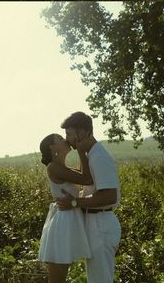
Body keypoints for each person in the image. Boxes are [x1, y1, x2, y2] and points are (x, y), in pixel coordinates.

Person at [56, 112, 121, 283]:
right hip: (95, 223)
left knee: (101, 279)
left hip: (101, 224)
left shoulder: (99, 157)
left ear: (83, 132)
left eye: (69, 134)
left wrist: (74, 202)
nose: (67, 139)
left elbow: (109, 195)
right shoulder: (91, 154)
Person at [38, 133, 94, 283]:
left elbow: (84, 175)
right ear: (53, 147)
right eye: (61, 139)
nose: (66, 140)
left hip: (70, 220)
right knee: (57, 278)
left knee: (61, 276)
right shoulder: (54, 167)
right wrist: (82, 151)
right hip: (63, 224)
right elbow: (87, 179)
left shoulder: (63, 167)